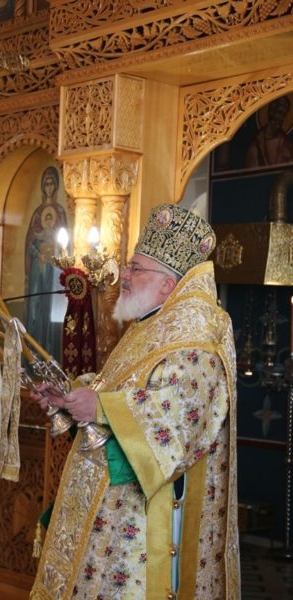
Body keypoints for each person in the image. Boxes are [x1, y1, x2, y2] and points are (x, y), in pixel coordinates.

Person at [29, 203, 240, 600]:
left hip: (150, 528)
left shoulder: (198, 338)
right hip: (112, 523)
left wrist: (99, 407)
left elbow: (175, 426)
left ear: (168, 284)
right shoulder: (150, 325)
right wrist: (69, 397)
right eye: (129, 265)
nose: (123, 275)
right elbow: (118, 389)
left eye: (136, 268)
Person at [24, 166, 68, 358]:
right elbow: (29, 241)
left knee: (49, 308)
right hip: (37, 269)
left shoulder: (60, 212)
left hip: (53, 270)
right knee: (35, 308)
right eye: (46, 184)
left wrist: (52, 251)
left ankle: (49, 353)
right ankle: (32, 355)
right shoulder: (37, 214)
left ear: (56, 186)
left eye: (52, 183)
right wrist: (37, 250)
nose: (49, 187)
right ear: (42, 186)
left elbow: (65, 245)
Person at [245, 95, 293, 168]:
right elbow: (252, 167)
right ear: (271, 111)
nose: (281, 118)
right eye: (280, 112)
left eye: (284, 114)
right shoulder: (257, 142)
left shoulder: (285, 141)